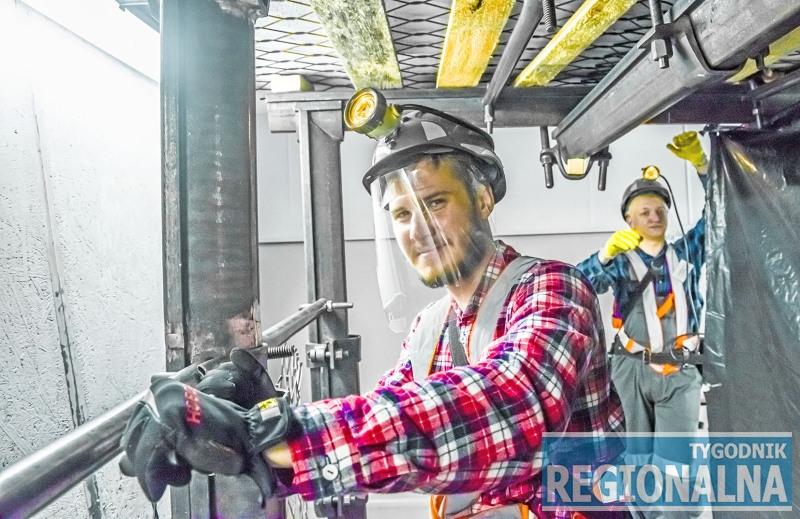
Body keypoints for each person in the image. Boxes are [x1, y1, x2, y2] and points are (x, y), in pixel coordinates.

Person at [120, 99, 624, 518]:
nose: (418, 230)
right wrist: (264, 417)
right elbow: (392, 421)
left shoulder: (553, 289)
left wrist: (281, 434)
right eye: (401, 214)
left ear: (484, 199)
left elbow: (514, 404)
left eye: (436, 202)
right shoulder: (430, 329)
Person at [575, 131, 709, 516]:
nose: (654, 217)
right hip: (630, 369)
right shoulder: (619, 261)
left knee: (676, 463)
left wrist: (703, 167)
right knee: (635, 460)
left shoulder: (686, 252)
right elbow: (577, 286)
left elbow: (719, 212)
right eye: (644, 211)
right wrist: (603, 255)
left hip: (679, 371)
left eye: (659, 210)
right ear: (629, 220)